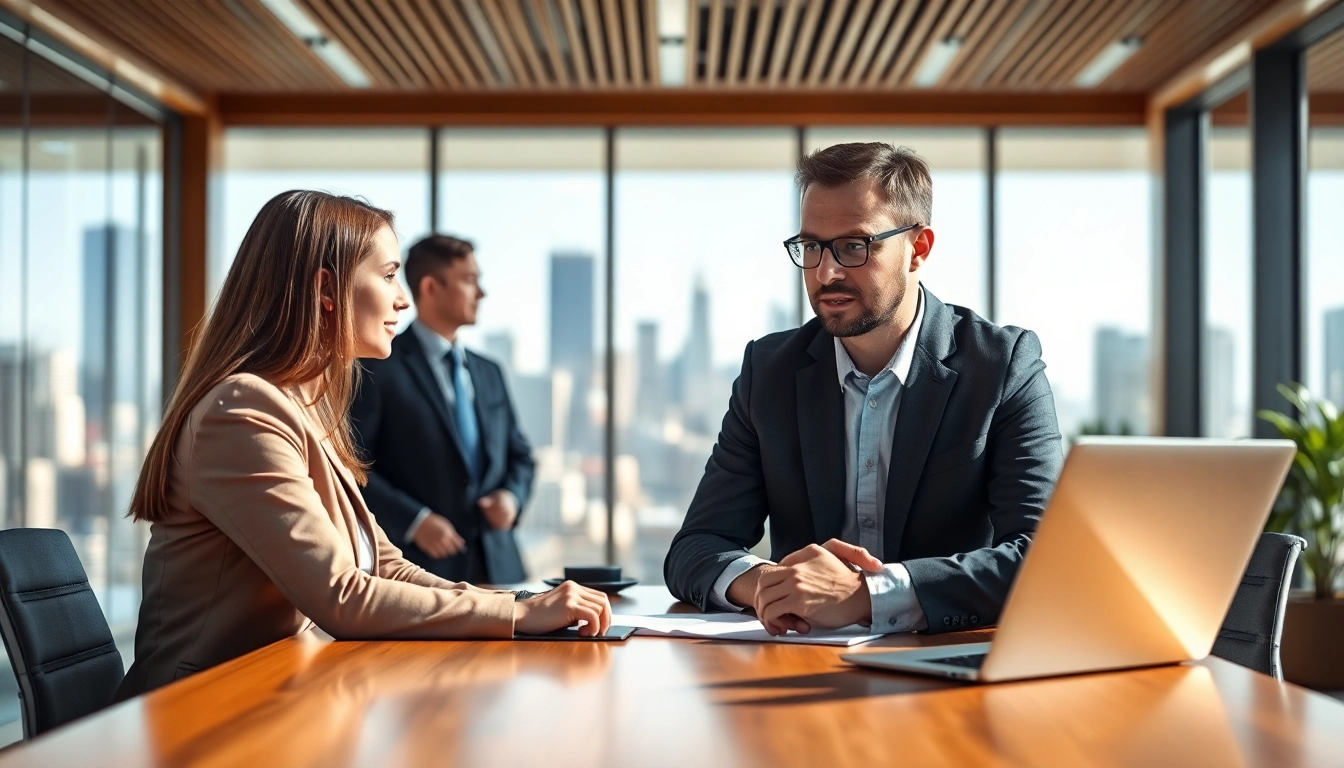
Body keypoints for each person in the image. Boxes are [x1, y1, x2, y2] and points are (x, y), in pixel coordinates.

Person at [117, 191, 609, 700]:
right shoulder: (242, 412)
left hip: (271, 694)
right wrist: (515, 613)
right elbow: (342, 595)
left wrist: (519, 605)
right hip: (196, 710)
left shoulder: (305, 408)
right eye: (389, 275)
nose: (403, 300)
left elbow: (385, 564)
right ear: (327, 289)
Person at [664, 143, 1063, 636]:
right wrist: (768, 583)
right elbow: (695, 547)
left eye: (854, 246)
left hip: (945, 659)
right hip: (798, 663)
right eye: (811, 247)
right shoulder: (768, 372)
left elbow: (1044, 557)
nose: (826, 272)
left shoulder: (1001, 366)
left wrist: (866, 596)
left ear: (918, 249)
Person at [350, 235, 533, 584]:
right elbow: (353, 466)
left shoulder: (490, 372)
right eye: (470, 280)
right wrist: (414, 521)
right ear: (431, 287)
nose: (481, 293)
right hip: (420, 572)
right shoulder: (376, 367)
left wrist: (512, 499)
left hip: (500, 568)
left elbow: (521, 456)